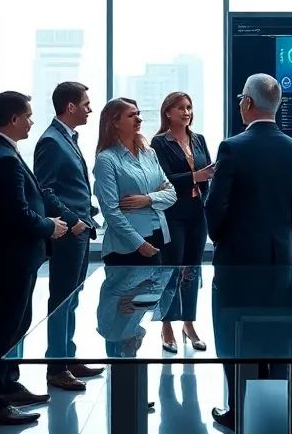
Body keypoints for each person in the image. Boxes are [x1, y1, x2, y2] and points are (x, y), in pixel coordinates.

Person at [203, 73, 292, 430]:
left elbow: (215, 204)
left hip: (236, 258)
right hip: (278, 256)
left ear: (248, 103)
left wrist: (222, 235)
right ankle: (277, 407)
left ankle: (239, 412)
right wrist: (278, 231)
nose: (240, 104)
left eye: (241, 98)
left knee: (233, 332)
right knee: (278, 333)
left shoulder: (233, 147)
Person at [0, 92, 68, 426]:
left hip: (8, 255)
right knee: (5, 325)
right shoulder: (4, 158)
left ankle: (8, 386)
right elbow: (18, 214)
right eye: (28, 115)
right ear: (13, 119)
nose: (31, 121)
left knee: (15, 323)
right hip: (12, 256)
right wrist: (50, 227)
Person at [35, 81, 104, 392]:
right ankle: (56, 367)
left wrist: (88, 213)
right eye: (86, 103)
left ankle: (68, 357)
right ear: (71, 106)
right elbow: (45, 190)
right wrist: (75, 220)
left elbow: (72, 185)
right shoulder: (51, 141)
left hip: (80, 229)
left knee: (71, 299)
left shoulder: (68, 138)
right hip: (67, 232)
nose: (90, 109)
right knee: (61, 300)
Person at [150, 92, 214, 353]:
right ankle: (167, 325)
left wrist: (204, 181)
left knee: (192, 269)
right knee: (171, 270)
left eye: (188, 107)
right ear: (168, 113)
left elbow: (207, 172)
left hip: (198, 213)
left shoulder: (198, 140)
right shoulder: (159, 143)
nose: (186, 112)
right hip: (173, 213)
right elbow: (161, 179)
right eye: (180, 108)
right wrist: (193, 176)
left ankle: (188, 323)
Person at [93, 98, 177, 267]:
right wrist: (138, 243)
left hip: (159, 235)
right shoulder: (106, 159)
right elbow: (110, 211)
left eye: (138, 114)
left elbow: (172, 193)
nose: (139, 119)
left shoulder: (149, 153)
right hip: (127, 246)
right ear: (115, 122)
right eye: (131, 115)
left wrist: (148, 199)